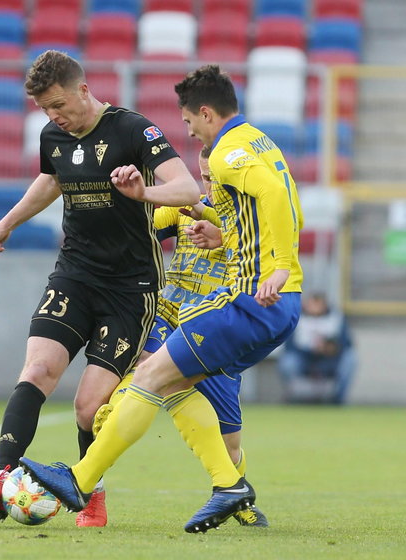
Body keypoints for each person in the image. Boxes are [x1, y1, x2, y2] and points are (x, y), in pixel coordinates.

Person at [20, 64, 304, 534]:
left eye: (190, 123)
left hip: (244, 305)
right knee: (165, 383)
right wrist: (222, 232)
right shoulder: (255, 146)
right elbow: (270, 202)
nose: (189, 134)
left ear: (207, 114)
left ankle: (85, 478)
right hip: (247, 309)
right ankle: (225, 486)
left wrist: (277, 264)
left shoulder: (230, 153)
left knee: (159, 385)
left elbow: (274, 194)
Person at [0, 50, 202, 527]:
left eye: (59, 104)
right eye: (44, 109)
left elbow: (188, 191)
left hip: (130, 287)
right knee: (37, 369)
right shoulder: (53, 135)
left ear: (83, 89)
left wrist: (143, 193)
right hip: (75, 273)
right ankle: (2, 477)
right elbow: (53, 178)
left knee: (88, 406)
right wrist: (7, 223)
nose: (54, 116)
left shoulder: (133, 130)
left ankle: (90, 492)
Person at [93, 145, 268, 527]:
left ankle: (236, 492)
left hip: (219, 329)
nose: (208, 184)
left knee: (230, 443)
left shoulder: (252, 218)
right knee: (147, 371)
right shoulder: (186, 206)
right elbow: (141, 225)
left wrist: (223, 238)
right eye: (203, 177)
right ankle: (114, 412)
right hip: (170, 316)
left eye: (214, 178)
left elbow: (272, 257)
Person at [278, 292, 356, 404]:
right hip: (304, 358)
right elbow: (289, 345)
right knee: (288, 362)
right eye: (311, 305)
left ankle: (337, 399)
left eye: (317, 304)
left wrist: (329, 348)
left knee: (350, 359)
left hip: (330, 359)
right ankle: (294, 397)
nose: (314, 308)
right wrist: (310, 349)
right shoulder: (297, 318)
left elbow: (346, 343)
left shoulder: (336, 318)